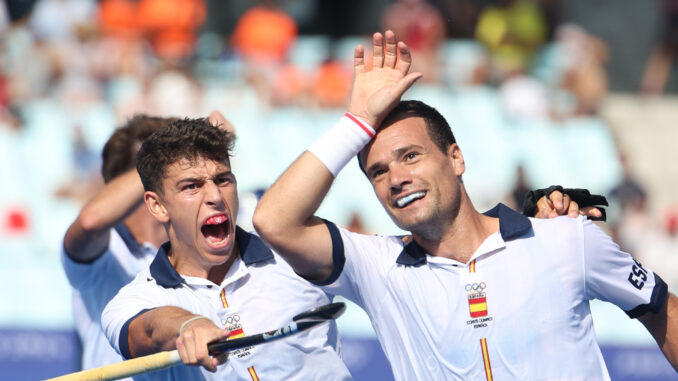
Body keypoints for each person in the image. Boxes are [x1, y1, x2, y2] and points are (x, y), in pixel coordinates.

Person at [252, 31, 678, 380]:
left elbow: (662, 309)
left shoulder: (565, 236)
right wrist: (357, 122)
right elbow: (273, 221)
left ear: (456, 158)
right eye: (378, 172)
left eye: (411, 156)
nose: (396, 178)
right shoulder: (377, 266)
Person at [101, 118, 352, 380]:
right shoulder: (131, 301)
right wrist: (188, 325)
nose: (216, 197)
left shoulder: (296, 251)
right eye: (192, 186)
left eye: (223, 180)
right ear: (158, 206)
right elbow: (148, 331)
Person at [61, 115, 178, 376]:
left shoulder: (191, 246)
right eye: (171, 164)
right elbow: (90, 221)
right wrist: (163, 160)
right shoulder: (108, 246)